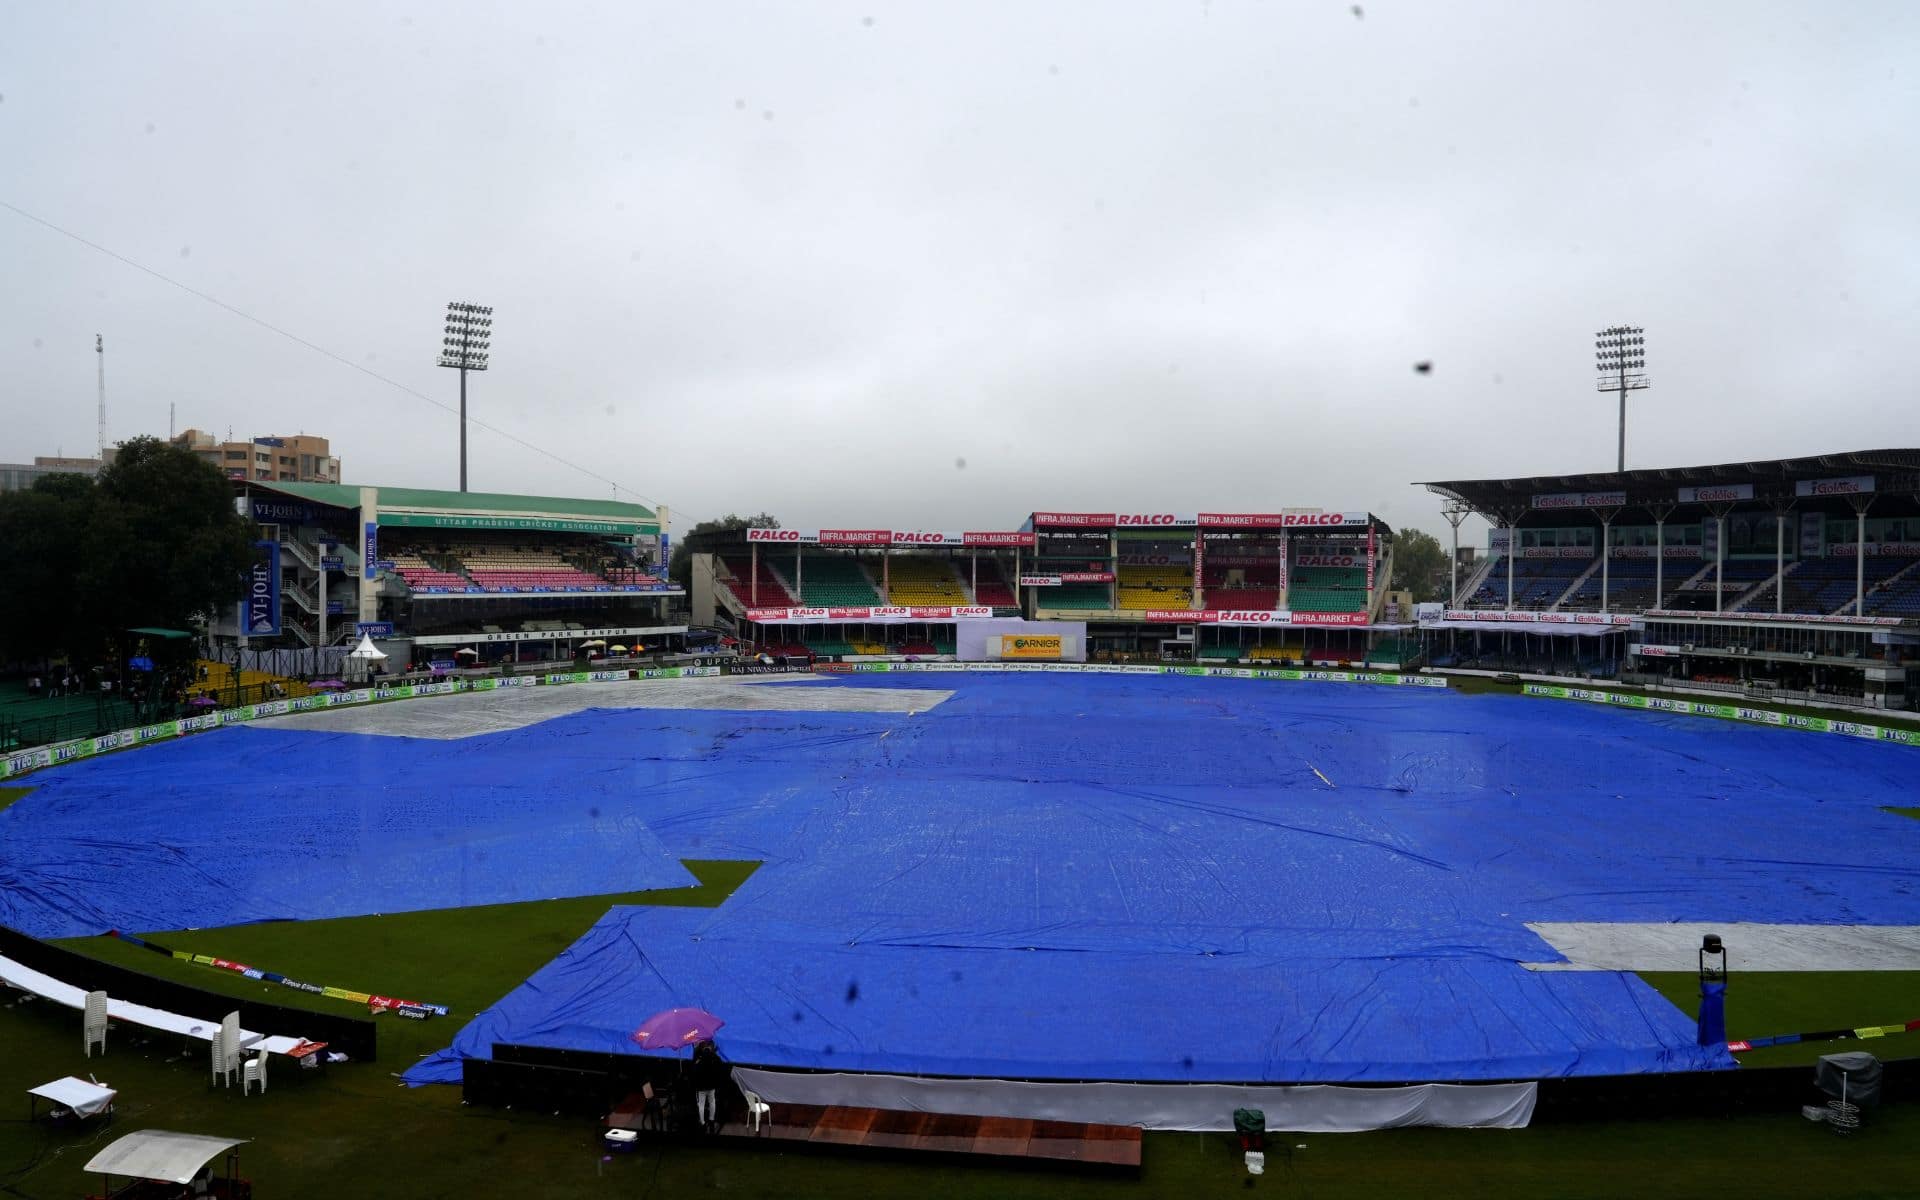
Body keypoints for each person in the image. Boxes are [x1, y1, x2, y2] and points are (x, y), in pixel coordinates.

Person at [691, 1039, 726, 1133]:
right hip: (712, 1085)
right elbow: (719, 1068)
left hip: (701, 1086)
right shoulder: (714, 1057)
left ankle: (702, 1122)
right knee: (712, 1102)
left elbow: (694, 1070)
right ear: (711, 1047)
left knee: (701, 1104)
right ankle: (711, 1120)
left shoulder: (699, 1058)